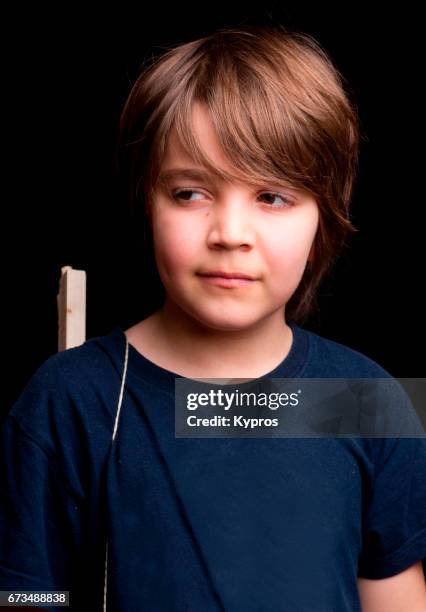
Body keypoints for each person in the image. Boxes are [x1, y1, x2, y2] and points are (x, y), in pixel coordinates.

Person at [1, 24, 425, 612]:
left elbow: (395, 597)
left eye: (272, 197)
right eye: (189, 193)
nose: (230, 235)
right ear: (146, 200)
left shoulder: (367, 399)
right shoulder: (69, 399)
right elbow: (29, 596)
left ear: (323, 220)